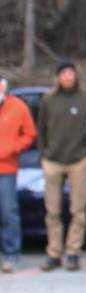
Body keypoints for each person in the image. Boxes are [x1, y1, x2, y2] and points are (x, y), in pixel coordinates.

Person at [37, 61, 86, 272]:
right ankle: (53, 252)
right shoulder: (48, 100)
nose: (67, 77)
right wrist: (44, 155)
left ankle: (73, 252)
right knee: (52, 210)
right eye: (63, 73)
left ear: (76, 76)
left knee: (78, 210)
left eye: (70, 73)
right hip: (53, 161)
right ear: (58, 77)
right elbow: (41, 129)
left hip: (77, 161)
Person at [0, 78, 36, 273]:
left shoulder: (18, 107)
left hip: (6, 168)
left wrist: (13, 148)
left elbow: (30, 134)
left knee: (8, 212)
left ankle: (12, 254)